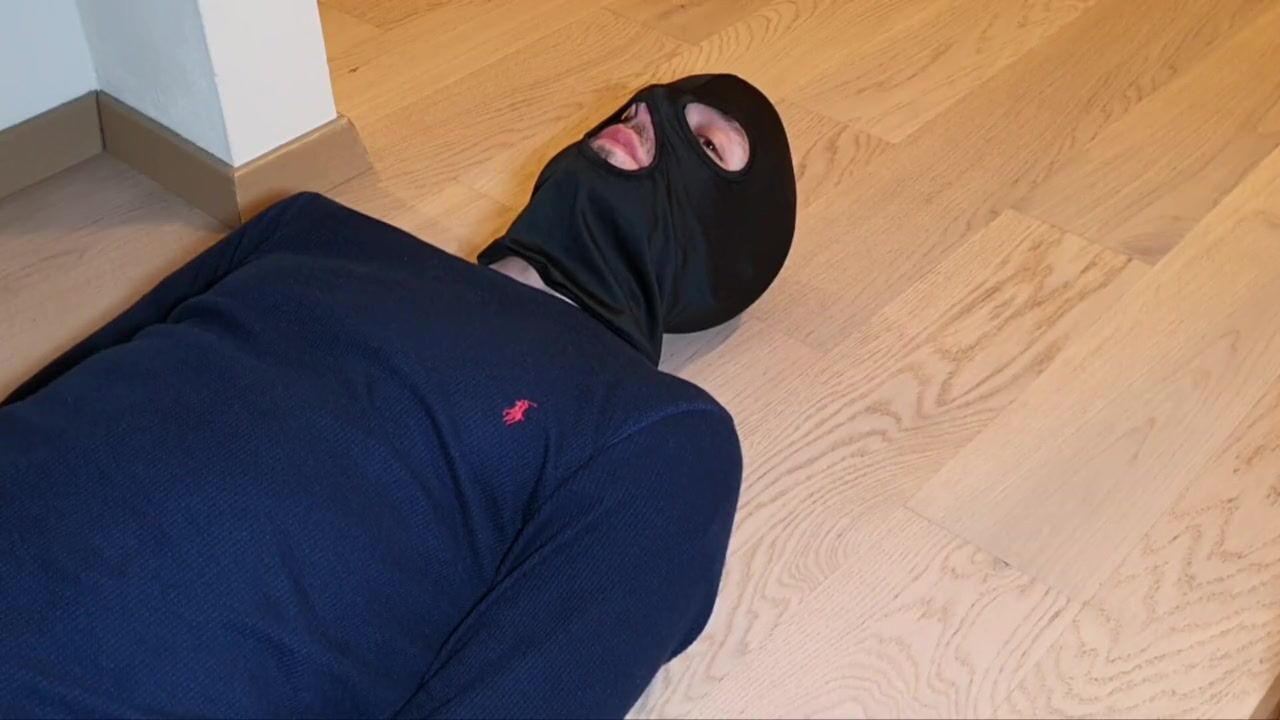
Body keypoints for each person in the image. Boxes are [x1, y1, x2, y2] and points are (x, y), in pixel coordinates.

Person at [0, 73, 796, 717]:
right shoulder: (309, 227)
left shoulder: (659, 433)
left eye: (706, 143)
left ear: (731, 251)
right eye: (642, 106)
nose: (644, 113)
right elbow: (76, 376)